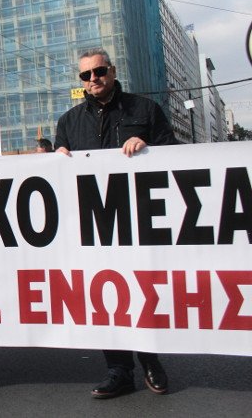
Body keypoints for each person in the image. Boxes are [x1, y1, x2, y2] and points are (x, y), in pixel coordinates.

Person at [55, 47, 178, 399]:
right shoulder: (68, 122)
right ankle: (119, 371)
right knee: (107, 299)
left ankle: (151, 360)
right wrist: (57, 160)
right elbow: (60, 177)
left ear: (111, 71)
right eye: (86, 75)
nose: (93, 79)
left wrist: (148, 147)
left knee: (142, 292)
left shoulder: (145, 109)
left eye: (99, 72)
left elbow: (176, 156)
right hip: (95, 229)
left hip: (138, 222)